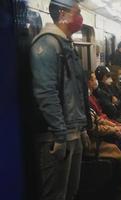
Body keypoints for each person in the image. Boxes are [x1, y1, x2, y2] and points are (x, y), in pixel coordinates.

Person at [30, 0, 90, 199]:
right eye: (78, 12)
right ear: (63, 13)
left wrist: (82, 128)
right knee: (56, 194)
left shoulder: (66, 43)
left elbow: (74, 91)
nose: (81, 17)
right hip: (56, 137)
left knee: (70, 192)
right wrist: (60, 134)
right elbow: (46, 93)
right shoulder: (47, 43)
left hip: (72, 131)